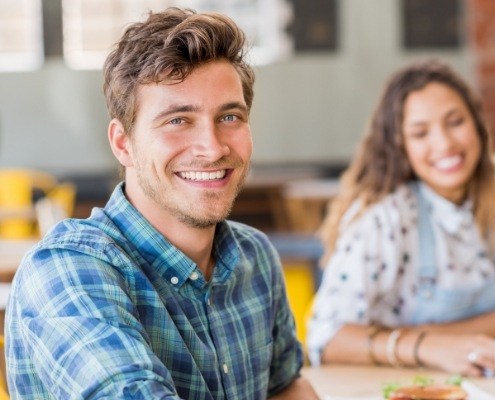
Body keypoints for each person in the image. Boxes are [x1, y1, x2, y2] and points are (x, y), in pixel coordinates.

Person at [6, 8, 319, 399]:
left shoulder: (255, 256)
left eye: (230, 116)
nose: (212, 147)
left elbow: (285, 386)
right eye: (178, 120)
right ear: (123, 143)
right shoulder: (68, 271)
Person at [307, 59, 495, 377]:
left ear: (477, 124)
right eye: (420, 133)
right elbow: (325, 339)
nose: (445, 143)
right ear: (399, 145)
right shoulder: (384, 219)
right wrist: (427, 346)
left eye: (455, 122)